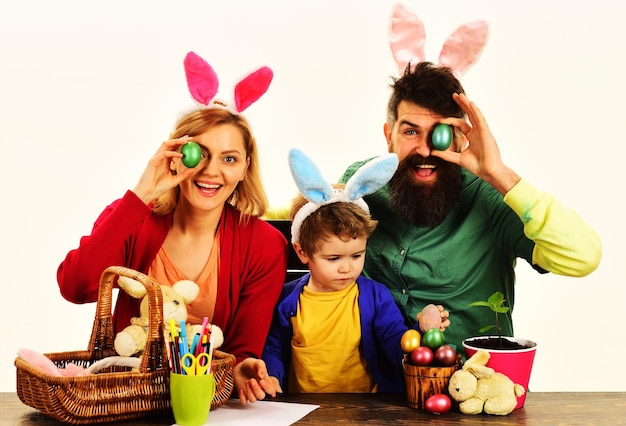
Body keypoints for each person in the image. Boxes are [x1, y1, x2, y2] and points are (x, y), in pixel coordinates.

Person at [56, 52, 288, 399]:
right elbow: (74, 285)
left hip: (205, 403)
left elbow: (242, 349)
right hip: (127, 399)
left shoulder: (265, 245)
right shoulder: (133, 218)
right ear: (177, 153)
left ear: (244, 168)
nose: (211, 171)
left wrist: (243, 368)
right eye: (200, 153)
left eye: (229, 159)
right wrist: (143, 191)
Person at [339, 61, 602, 353]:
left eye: (439, 133)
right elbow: (310, 237)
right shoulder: (363, 184)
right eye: (411, 132)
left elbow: (583, 257)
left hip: (470, 387)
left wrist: (499, 173)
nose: (426, 150)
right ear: (389, 136)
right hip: (372, 388)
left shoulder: (490, 199)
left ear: (461, 137)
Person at [235, 149, 450, 404]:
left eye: (357, 256)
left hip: (366, 410)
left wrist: (419, 331)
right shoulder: (289, 300)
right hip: (304, 410)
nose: (347, 268)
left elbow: (394, 341)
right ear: (302, 251)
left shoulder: (375, 296)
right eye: (333, 259)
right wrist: (271, 377)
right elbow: (274, 348)